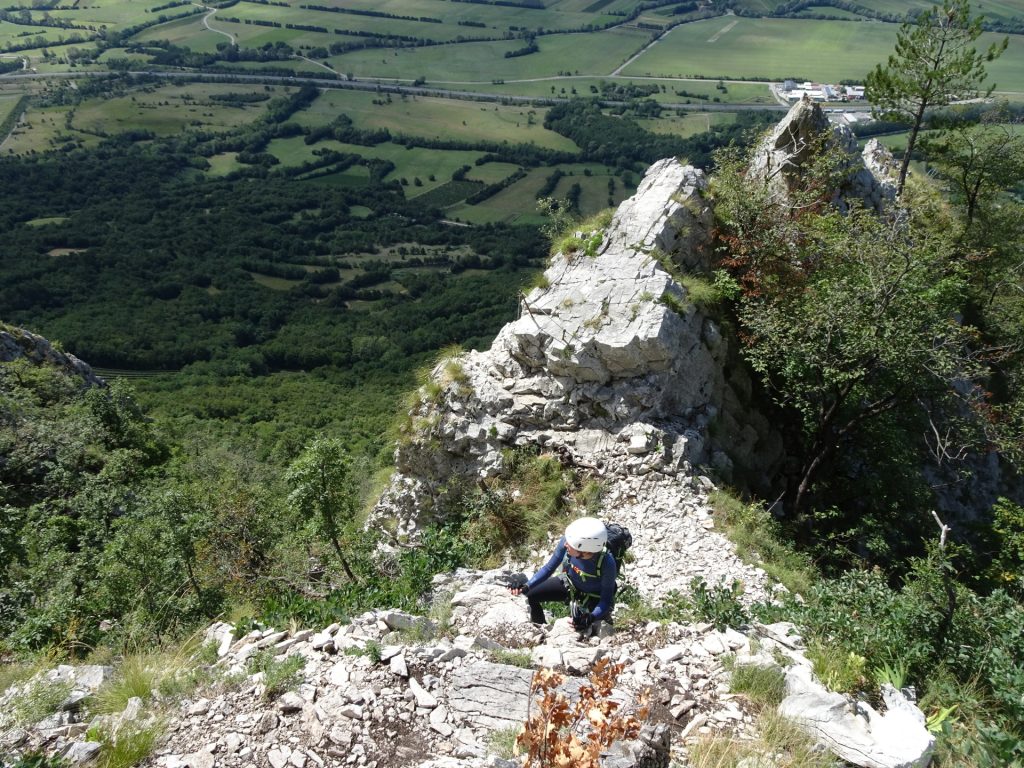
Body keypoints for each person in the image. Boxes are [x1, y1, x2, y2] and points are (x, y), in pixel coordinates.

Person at [510, 517, 617, 632]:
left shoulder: (607, 563)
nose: (565, 544)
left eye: (571, 544)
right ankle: (541, 631)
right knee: (530, 595)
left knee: (589, 629)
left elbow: (606, 600)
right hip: (570, 584)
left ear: (585, 551)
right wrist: (526, 586)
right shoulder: (568, 543)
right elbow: (548, 569)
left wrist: (591, 617)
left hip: (596, 596)